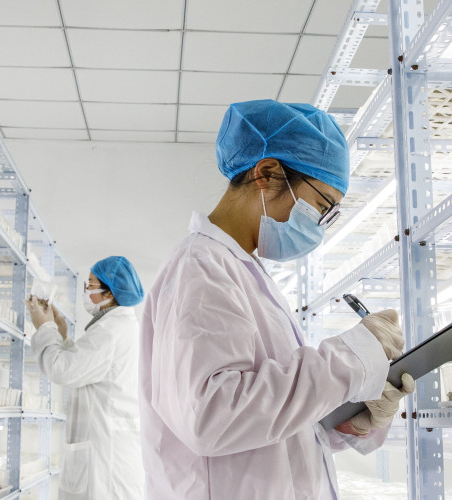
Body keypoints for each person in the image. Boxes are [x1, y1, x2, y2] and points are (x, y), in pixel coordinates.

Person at [139, 99, 414, 499]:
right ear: (267, 173)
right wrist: (348, 361)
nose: (320, 227)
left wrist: (349, 418)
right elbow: (212, 416)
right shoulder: (200, 268)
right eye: (322, 207)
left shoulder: (243, 272)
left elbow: (273, 421)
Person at [25, 256, 146, 499]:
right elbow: (87, 370)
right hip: (111, 454)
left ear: (109, 294)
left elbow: (62, 369)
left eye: (90, 285)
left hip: (106, 465)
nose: (86, 291)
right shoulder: (117, 327)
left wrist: (45, 328)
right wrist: (62, 336)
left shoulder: (111, 331)